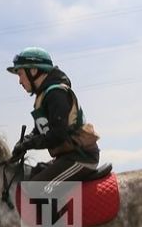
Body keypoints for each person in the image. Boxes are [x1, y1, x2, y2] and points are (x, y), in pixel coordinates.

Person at [8, 47, 100, 183]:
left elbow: (58, 135)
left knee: (36, 187)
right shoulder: (44, 95)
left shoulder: (56, 94)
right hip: (67, 157)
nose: (20, 81)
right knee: (32, 175)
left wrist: (28, 144)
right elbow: (40, 132)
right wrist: (22, 142)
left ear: (33, 71)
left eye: (20, 74)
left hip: (81, 158)